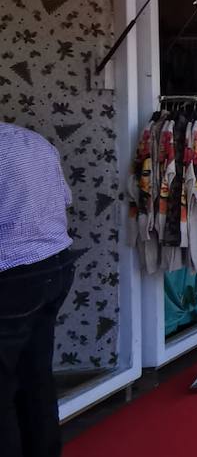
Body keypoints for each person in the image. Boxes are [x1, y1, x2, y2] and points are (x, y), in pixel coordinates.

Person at [0, 123, 76, 456]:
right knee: (36, 376)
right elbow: (64, 199)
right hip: (55, 263)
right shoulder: (33, 141)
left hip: (13, 273)